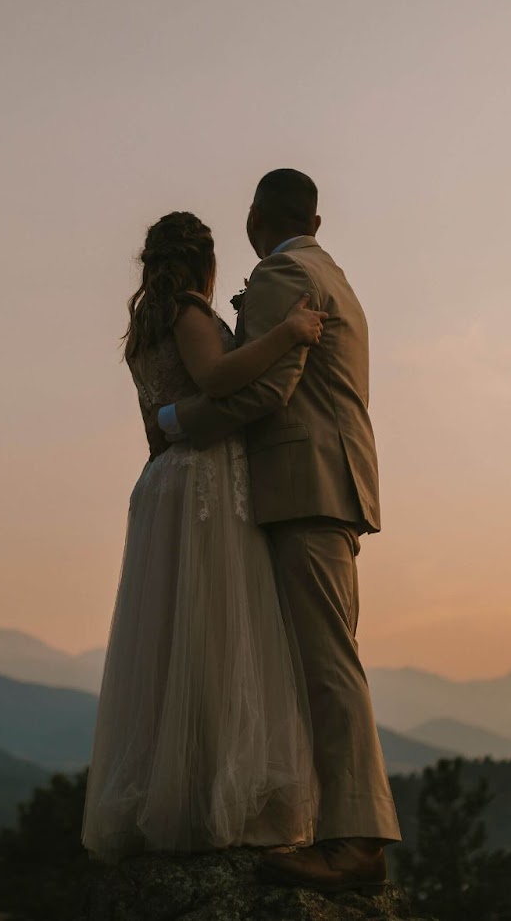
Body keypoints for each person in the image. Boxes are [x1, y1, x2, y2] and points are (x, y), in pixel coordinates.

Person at [157, 168, 402, 890]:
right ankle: (335, 829)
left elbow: (266, 389)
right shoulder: (330, 271)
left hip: (305, 484)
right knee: (323, 660)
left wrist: (175, 423)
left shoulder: (281, 274)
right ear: (316, 222)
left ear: (254, 220)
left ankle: (357, 843)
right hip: (336, 483)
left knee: (328, 665)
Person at [80, 209, 326, 862]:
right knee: (217, 628)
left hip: (162, 480)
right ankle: (210, 792)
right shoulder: (189, 314)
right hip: (204, 487)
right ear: (203, 262)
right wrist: (291, 333)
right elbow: (219, 379)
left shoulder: (144, 331)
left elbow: (156, 423)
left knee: (171, 636)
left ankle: (177, 784)